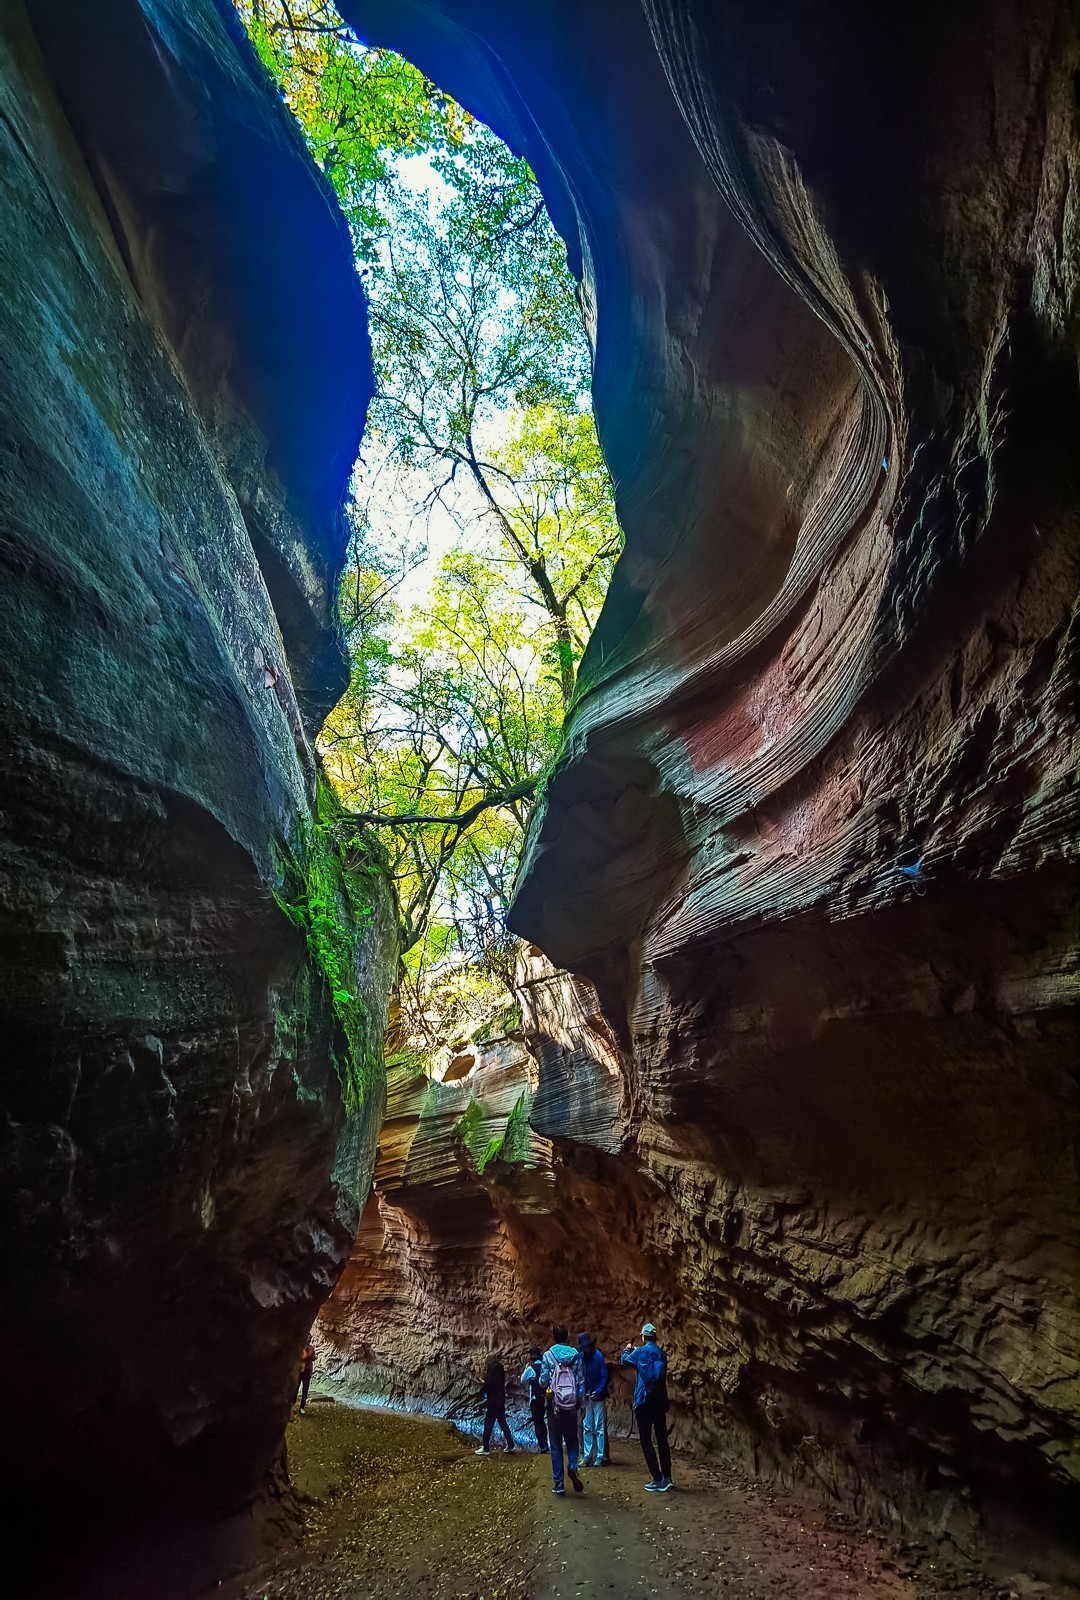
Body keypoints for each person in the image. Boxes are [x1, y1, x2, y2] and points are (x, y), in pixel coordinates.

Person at [621, 1322, 672, 1491]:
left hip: (644, 1400)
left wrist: (628, 1349)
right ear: (655, 1337)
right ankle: (667, 1477)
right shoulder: (662, 1354)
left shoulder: (640, 1352)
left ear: (643, 1337)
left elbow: (624, 1360)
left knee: (646, 1440)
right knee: (662, 1438)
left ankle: (657, 1479)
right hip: (659, 1400)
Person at [537, 1324, 584, 1495]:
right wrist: (580, 1402)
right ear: (567, 1336)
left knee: (556, 1444)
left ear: (554, 1337)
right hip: (571, 1406)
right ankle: (572, 1465)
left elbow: (543, 1381)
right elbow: (580, 1381)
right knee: (572, 1440)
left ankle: (559, 1485)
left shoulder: (548, 1355)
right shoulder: (576, 1355)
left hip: (554, 1406)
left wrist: (544, 1386)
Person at [576, 1332, 609, 1466]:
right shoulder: (581, 1358)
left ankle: (600, 1457)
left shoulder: (598, 1357)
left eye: (587, 1347)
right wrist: (581, 1392)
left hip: (598, 1395)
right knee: (587, 1426)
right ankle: (588, 1456)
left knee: (599, 1426)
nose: (586, 1350)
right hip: (586, 1396)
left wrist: (599, 1390)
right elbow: (580, 1376)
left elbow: (604, 1376)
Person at [473, 1356, 516, 1455]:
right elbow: (498, 1384)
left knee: (488, 1424)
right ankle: (511, 1445)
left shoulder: (492, 1370)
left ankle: (486, 1448)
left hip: (493, 1401)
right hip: (500, 1400)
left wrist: (483, 1384)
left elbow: (490, 1385)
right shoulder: (500, 1368)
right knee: (503, 1423)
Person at [520, 1345, 549, 1452]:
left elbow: (522, 1380)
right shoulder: (545, 1367)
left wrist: (526, 1368)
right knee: (543, 1421)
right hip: (546, 1398)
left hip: (535, 1399)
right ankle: (546, 1443)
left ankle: (543, 1446)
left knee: (537, 1422)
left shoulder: (531, 1368)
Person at [295, 1342, 315, 1415]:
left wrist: (312, 1356)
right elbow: (301, 1358)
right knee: (295, 1390)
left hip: (307, 1373)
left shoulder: (311, 1349)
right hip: (300, 1373)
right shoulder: (301, 1349)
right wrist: (307, 1354)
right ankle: (292, 1405)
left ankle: (302, 1407)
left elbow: (312, 1359)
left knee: (305, 1391)